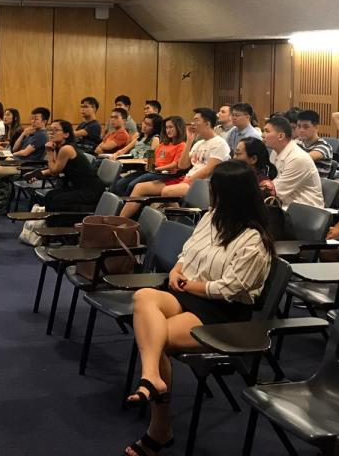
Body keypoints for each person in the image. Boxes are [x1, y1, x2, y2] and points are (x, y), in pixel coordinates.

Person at [123, 159, 274, 456]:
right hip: (189, 291)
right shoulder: (212, 216)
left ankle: (159, 429)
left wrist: (188, 285)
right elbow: (188, 252)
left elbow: (230, 289)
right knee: (143, 297)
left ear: (230, 194)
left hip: (223, 311)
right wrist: (177, 270)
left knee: (157, 337)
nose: (209, 193)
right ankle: (151, 376)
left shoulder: (253, 239)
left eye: (214, 189)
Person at [118, 108, 230, 220]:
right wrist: (189, 141)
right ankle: (120, 220)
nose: (192, 123)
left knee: (166, 191)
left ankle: (182, 221)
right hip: (186, 179)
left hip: (203, 184)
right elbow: (182, 165)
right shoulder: (198, 143)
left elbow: (207, 170)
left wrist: (188, 180)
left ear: (207, 123)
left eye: (196, 120)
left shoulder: (219, 143)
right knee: (139, 187)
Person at [33, 119, 105, 212]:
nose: (51, 133)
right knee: (50, 195)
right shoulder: (59, 147)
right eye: (50, 130)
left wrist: (49, 152)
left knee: (56, 199)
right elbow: (56, 167)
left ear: (66, 134)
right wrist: (39, 173)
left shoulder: (66, 149)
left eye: (55, 130)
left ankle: (53, 220)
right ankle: (48, 219)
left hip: (91, 190)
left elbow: (54, 171)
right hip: (79, 187)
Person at [111, 115, 186, 197]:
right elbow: (152, 157)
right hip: (152, 170)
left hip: (164, 174)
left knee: (132, 185)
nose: (168, 130)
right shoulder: (164, 143)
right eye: (166, 127)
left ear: (178, 128)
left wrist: (157, 168)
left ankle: (126, 202)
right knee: (120, 183)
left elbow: (175, 165)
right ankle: (118, 201)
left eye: (171, 127)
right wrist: (148, 162)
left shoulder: (181, 145)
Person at [262, 116, 324, 208]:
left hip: (305, 210)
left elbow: (274, 191)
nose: (262, 135)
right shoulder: (275, 152)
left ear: (280, 136)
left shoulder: (298, 158)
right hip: (284, 204)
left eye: (267, 131)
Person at [295, 110, 335, 178]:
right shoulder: (297, 142)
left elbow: (305, 159)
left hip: (317, 183)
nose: (301, 130)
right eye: (299, 126)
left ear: (316, 127)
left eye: (306, 127)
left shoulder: (325, 146)